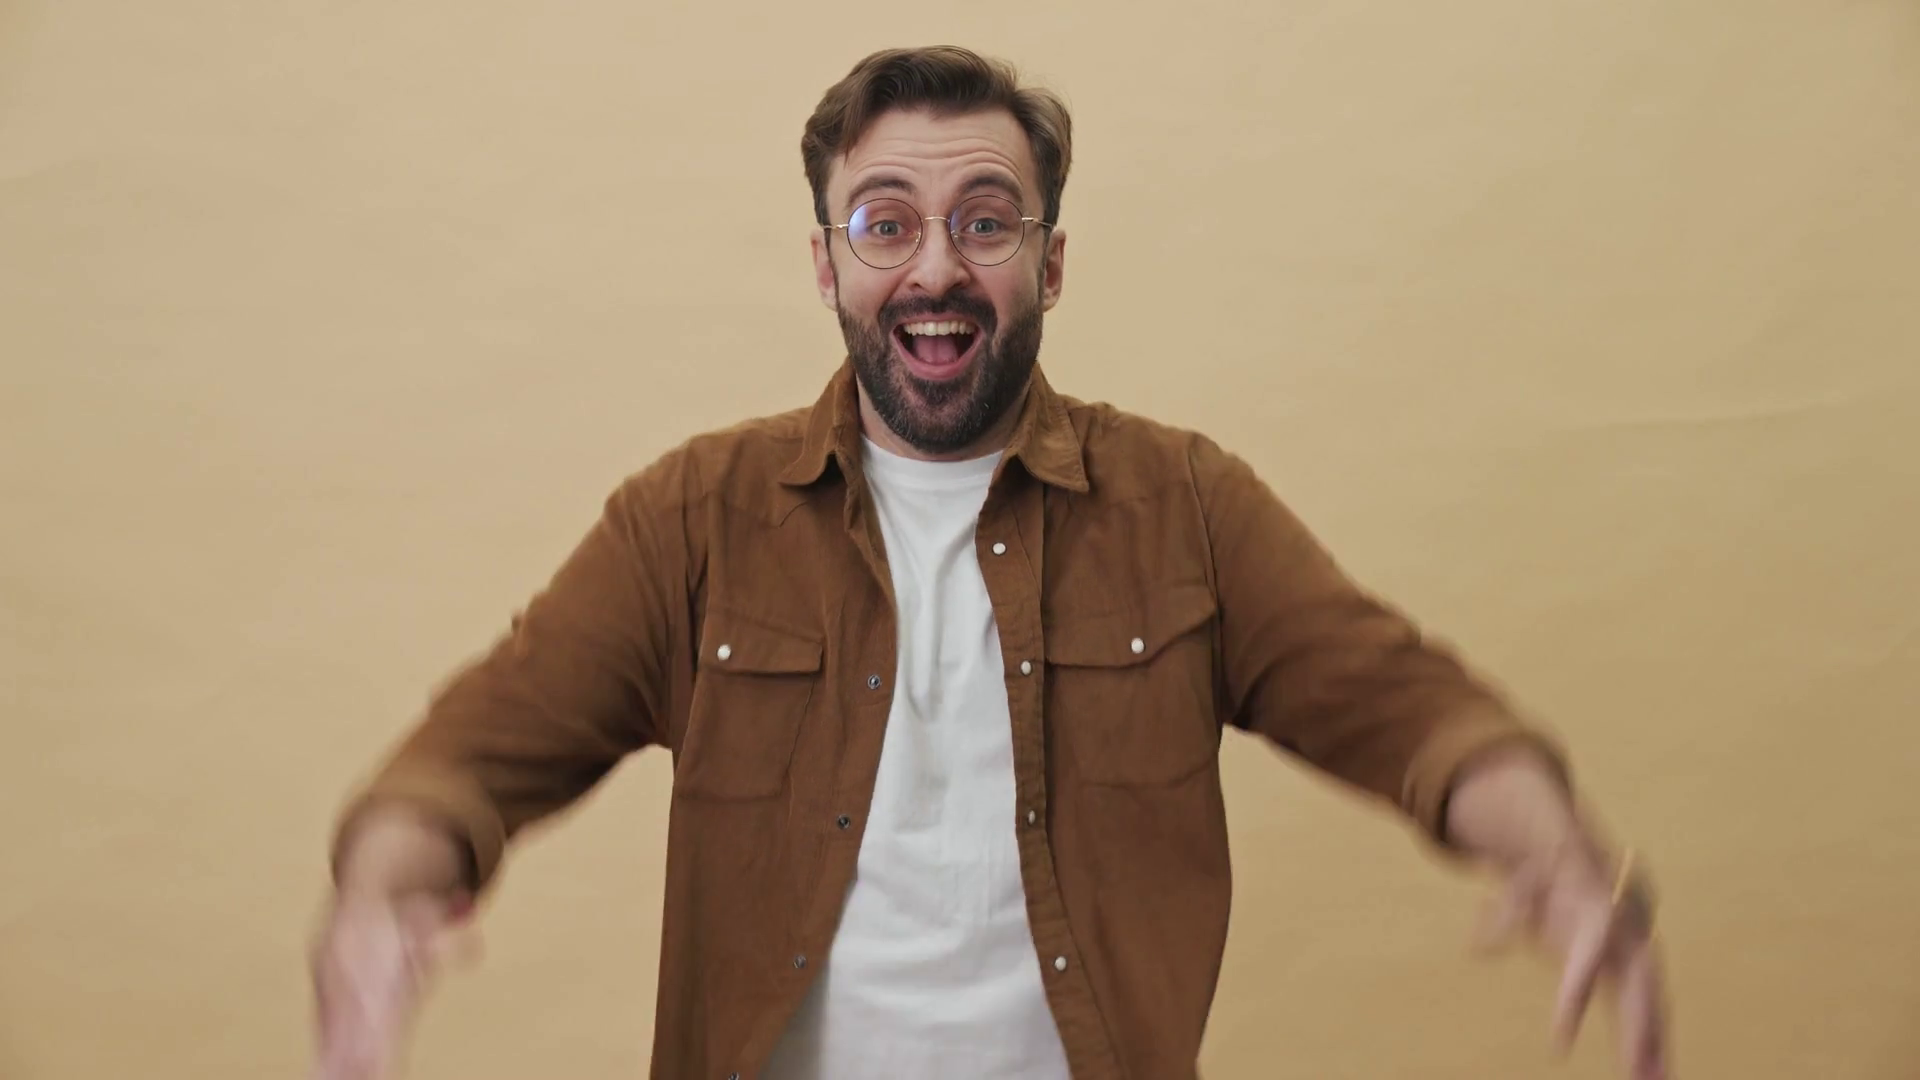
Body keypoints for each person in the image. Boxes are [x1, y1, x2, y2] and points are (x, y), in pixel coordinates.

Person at [308, 45, 1669, 1080]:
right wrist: (379, 890)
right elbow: (473, 751)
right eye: (884, 222)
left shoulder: (1184, 507)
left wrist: (1547, 844)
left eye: (985, 220)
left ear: (1050, 262)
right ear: (827, 265)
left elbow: (1409, 709)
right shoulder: (696, 519)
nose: (935, 269)